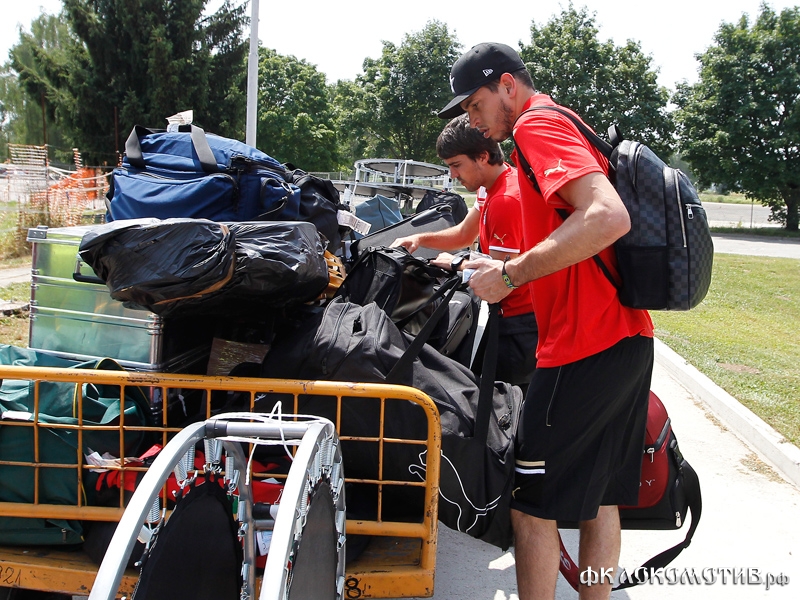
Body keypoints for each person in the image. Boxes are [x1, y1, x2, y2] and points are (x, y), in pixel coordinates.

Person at [438, 43, 654, 600]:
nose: (473, 120)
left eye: (476, 103)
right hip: (627, 338)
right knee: (600, 498)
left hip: (583, 345)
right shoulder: (564, 120)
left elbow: (607, 217)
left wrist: (510, 275)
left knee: (531, 508)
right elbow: (577, 227)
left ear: (508, 85)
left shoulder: (536, 125)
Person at [392, 114, 537, 391]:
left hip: (520, 327)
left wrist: (457, 262)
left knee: (501, 406)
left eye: (456, 165)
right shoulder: (489, 187)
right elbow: (464, 234)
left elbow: (499, 279)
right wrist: (419, 237)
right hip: (505, 317)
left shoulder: (506, 199)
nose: (452, 175)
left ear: (483, 156)